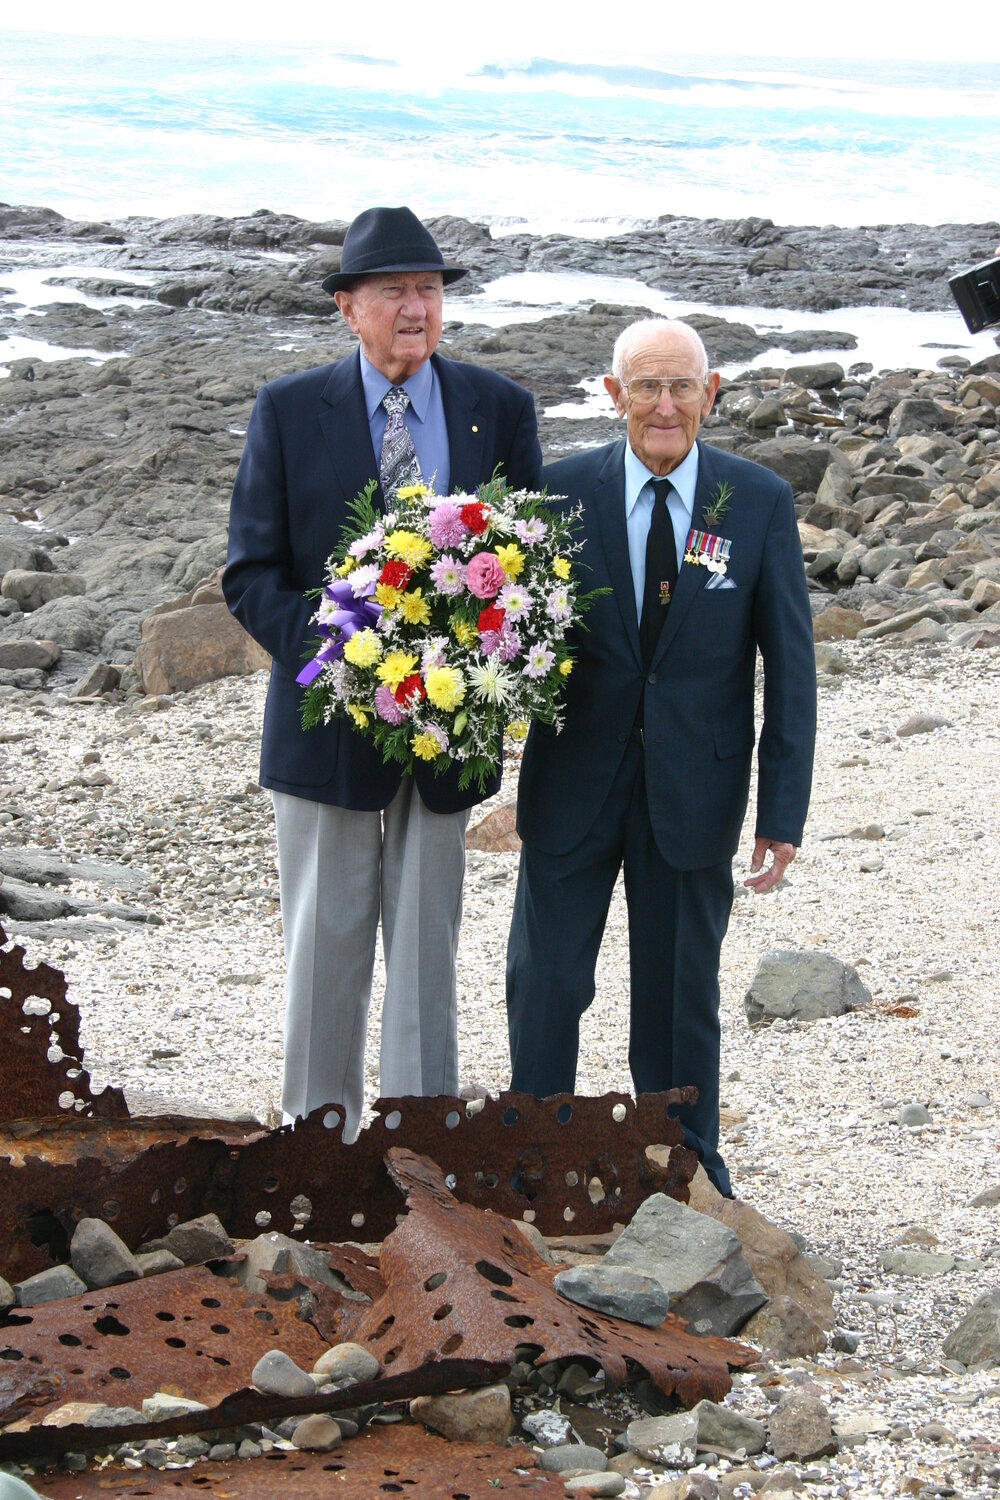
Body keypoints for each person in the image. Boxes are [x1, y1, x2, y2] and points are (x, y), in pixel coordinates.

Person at [224, 205, 542, 1138]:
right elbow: (250, 575)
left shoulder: (499, 407)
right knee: (324, 947)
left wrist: (469, 665)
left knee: (427, 956)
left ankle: (418, 1141)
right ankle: (315, 1145)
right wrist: (351, 661)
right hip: (326, 726)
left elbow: (532, 567)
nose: (416, 308)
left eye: (430, 290)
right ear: (347, 307)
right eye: (396, 290)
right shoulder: (289, 410)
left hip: (448, 727)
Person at [505, 317, 815, 1196]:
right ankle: (533, 1160)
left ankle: (685, 1165)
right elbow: (502, 638)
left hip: (695, 791)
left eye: (683, 386)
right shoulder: (556, 495)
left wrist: (781, 813)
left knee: (679, 997)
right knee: (545, 981)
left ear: (711, 394)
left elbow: (791, 667)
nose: (666, 405)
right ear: (614, 396)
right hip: (573, 781)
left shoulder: (757, 501)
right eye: (647, 386)